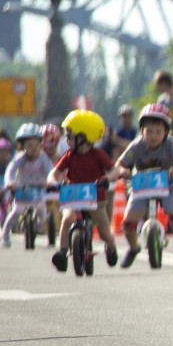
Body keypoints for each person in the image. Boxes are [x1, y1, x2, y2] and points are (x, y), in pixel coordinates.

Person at [112, 103, 173, 268]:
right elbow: (120, 163)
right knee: (128, 223)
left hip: (168, 186)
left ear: (166, 131)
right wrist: (123, 171)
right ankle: (133, 247)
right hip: (141, 186)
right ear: (141, 131)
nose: (153, 136)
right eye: (149, 131)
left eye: (158, 132)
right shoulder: (136, 146)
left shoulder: (171, 145)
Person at [50, 110, 118, 271]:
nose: (66, 140)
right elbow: (55, 172)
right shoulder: (69, 156)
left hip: (96, 200)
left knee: (104, 231)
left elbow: (115, 169)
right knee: (67, 220)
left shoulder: (98, 155)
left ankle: (111, 246)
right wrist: (52, 181)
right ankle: (62, 253)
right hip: (74, 197)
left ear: (83, 137)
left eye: (69, 136)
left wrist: (107, 178)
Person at [0, 123, 54, 248]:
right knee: (15, 212)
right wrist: (9, 182)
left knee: (42, 214)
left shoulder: (43, 158)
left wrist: (50, 181)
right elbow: (10, 170)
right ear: (22, 146)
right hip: (22, 190)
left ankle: (39, 227)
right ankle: (5, 236)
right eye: (29, 145)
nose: (33, 148)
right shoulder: (20, 158)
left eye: (36, 145)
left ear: (41, 145)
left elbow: (50, 170)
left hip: (38, 189)